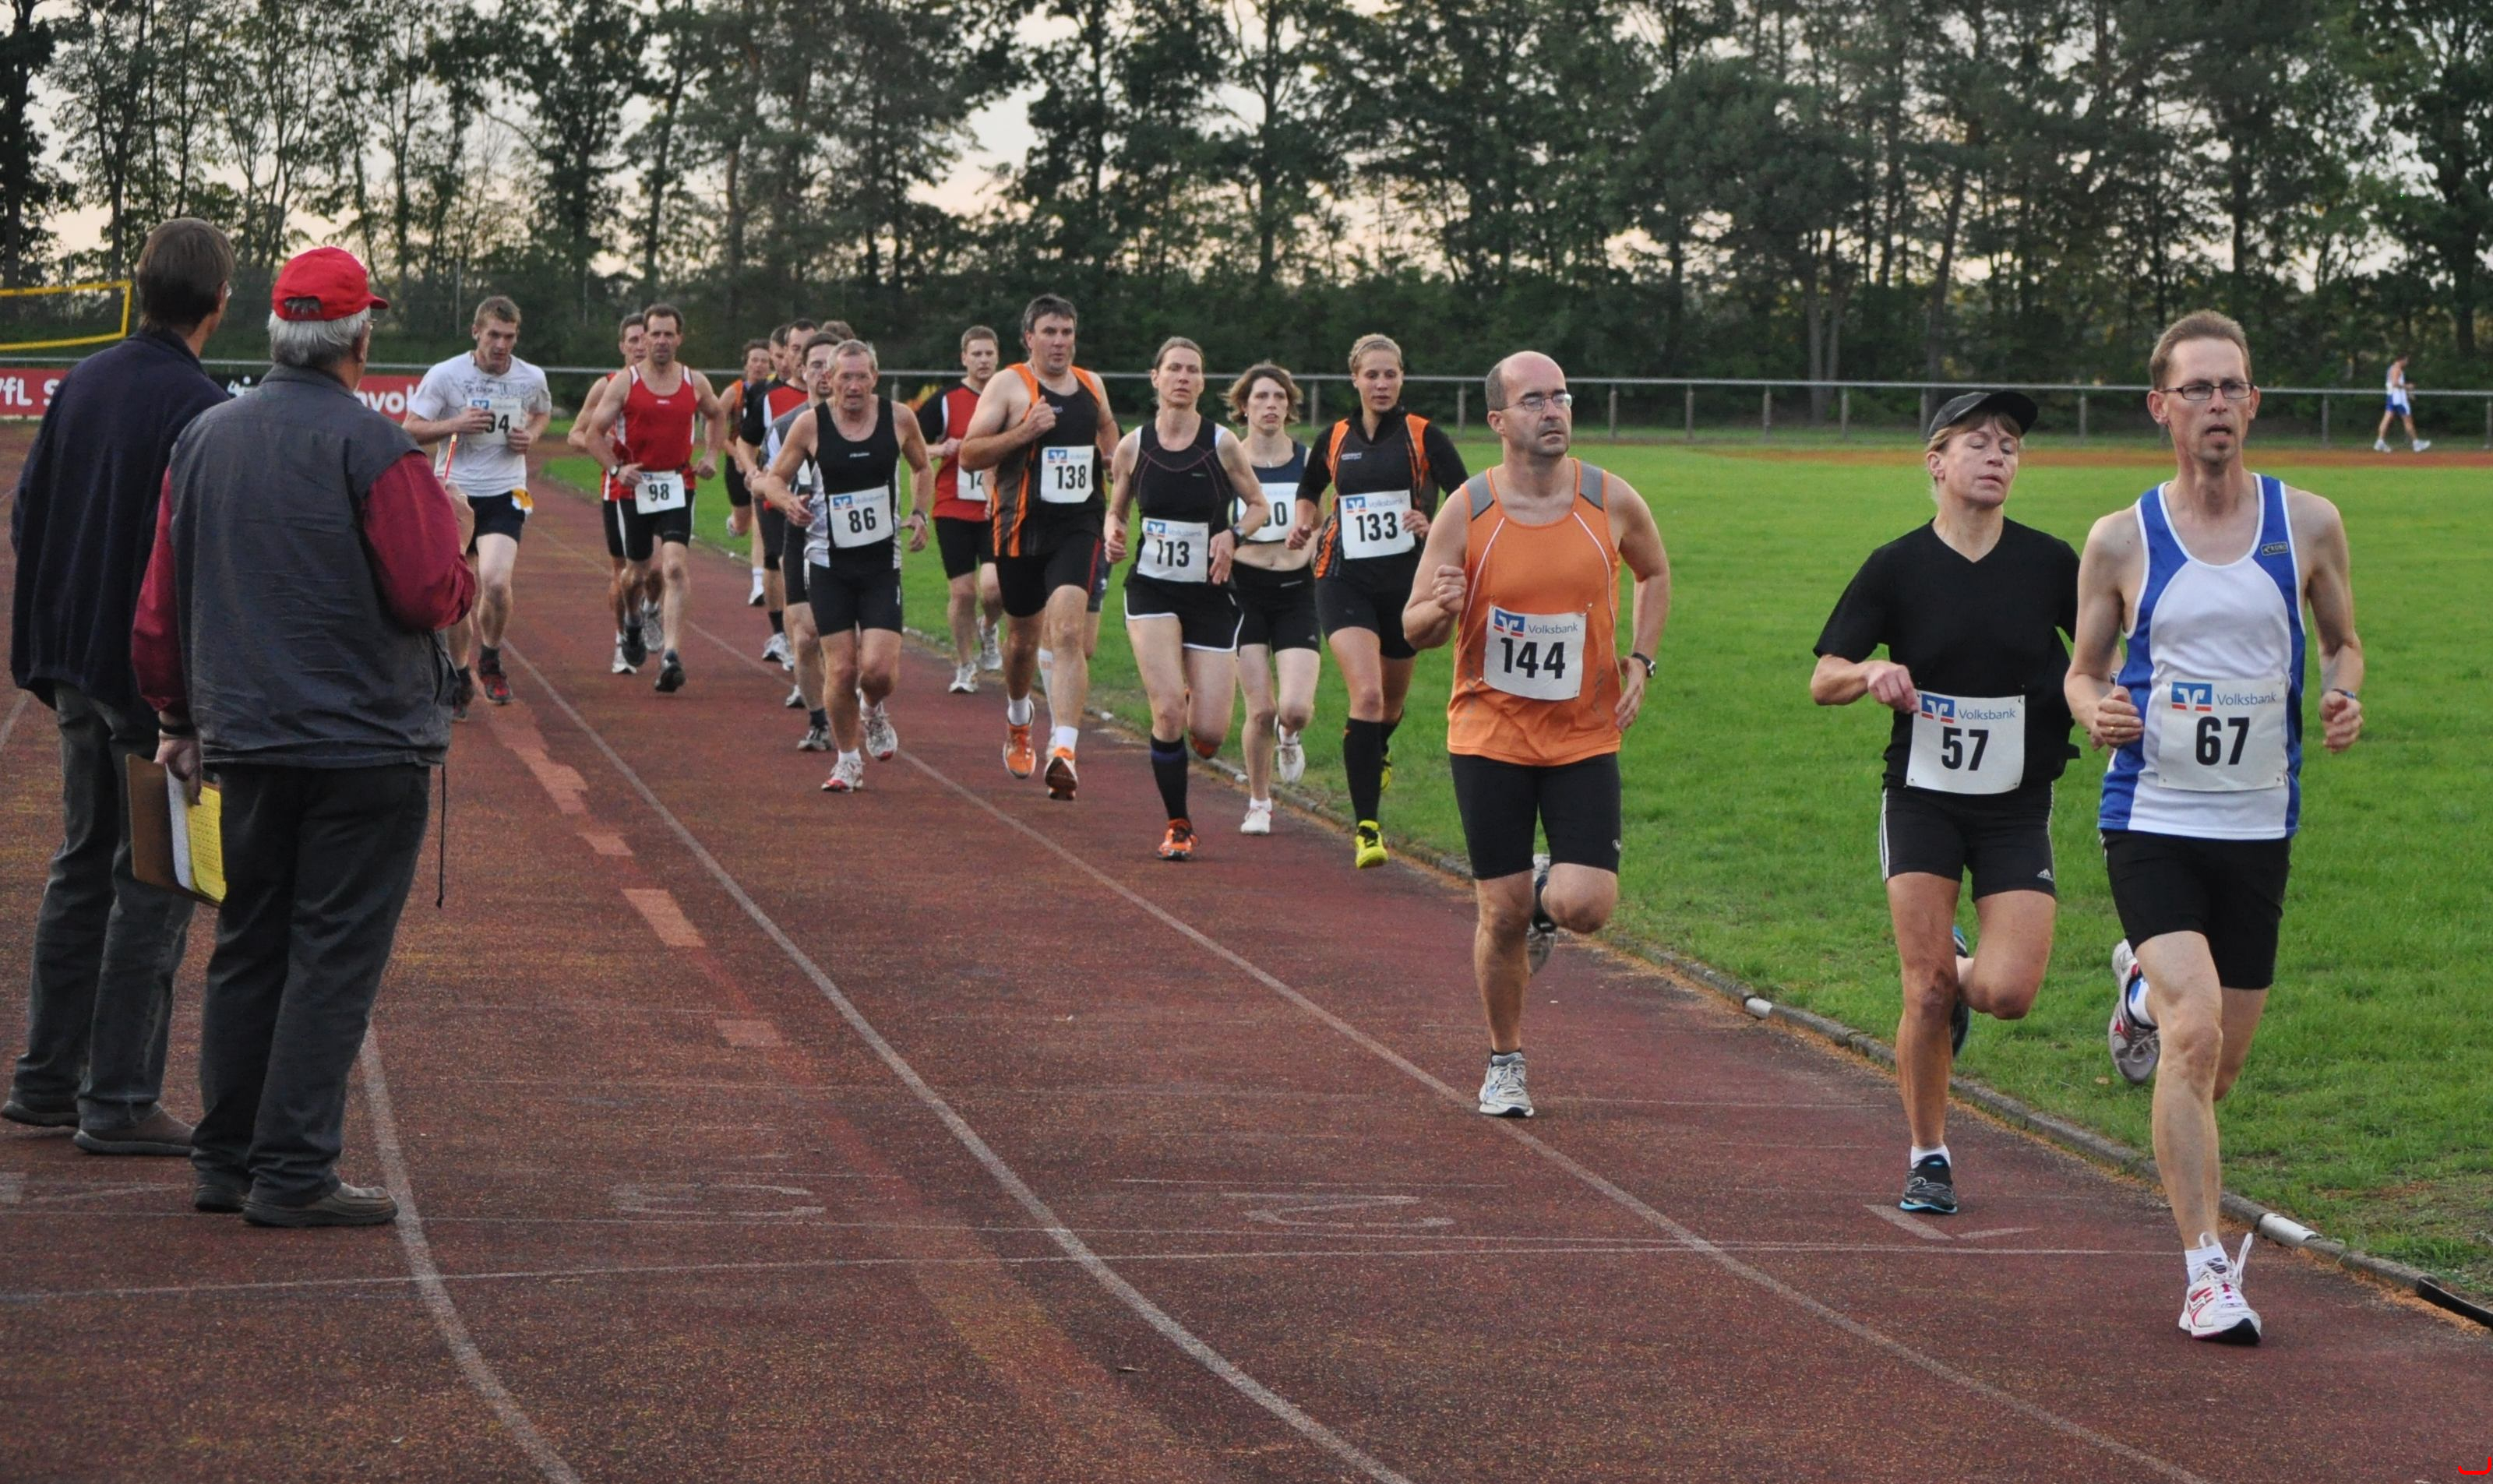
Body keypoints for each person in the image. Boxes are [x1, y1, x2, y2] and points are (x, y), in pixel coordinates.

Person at [132, 246, 474, 1225]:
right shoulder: (378, 450)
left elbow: (160, 606)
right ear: (359, 341)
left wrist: (174, 718)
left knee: (248, 946)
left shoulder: (203, 436)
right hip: (365, 747)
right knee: (332, 959)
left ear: (277, 333)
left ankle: (226, 1159)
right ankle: (293, 1171)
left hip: (243, 740)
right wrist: (457, 538)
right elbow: (428, 594)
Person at [2065, 310, 2365, 1343]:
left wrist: (2343, 693)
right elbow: (2082, 670)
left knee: (2219, 1066)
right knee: (2193, 1038)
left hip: (2257, 826)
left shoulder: (2308, 523)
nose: (2216, 404)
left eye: (2231, 386)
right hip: (2149, 816)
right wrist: (2094, 710)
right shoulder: (2121, 539)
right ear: (2161, 407)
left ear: (2254, 401)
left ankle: (2137, 991)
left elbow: (2344, 642)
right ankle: (2204, 1273)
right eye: (2195, 389)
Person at [1810, 390, 2076, 1217]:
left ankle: (1958, 965)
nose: (1997, 455)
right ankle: (1929, 1155)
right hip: (1922, 797)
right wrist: (1869, 672)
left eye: (2009, 445)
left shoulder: (2049, 564)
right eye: (1977, 442)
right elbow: (1823, 676)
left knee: (2005, 994)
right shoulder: (1896, 566)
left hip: (2015, 802)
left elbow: (2101, 655)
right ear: (1935, 462)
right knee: (1923, 990)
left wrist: (2104, 700)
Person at [5, 218, 231, 1156]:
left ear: (140, 291)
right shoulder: (201, 407)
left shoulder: (84, 381)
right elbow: (194, 557)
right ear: (218, 304)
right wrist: (187, 702)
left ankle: (46, 1080)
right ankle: (122, 1098)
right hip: (149, 688)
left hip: (73, 668)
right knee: (158, 881)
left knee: (80, 860)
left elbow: (28, 513)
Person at [1404, 351, 1668, 1120]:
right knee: (1501, 913)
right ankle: (1505, 1060)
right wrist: (1439, 608)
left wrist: (1642, 659)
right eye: (1534, 400)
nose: (1553, 411)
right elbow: (1414, 627)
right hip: (1489, 734)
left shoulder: (1609, 499)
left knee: (1587, 904)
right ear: (1497, 420)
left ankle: (1548, 899)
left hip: (1583, 732)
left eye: (1561, 397)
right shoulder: (1467, 509)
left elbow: (1653, 573)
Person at [1291, 333, 1468, 867]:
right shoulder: (1334, 437)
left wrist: (1432, 525)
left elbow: (1468, 499)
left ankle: (1378, 746)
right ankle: (1367, 828)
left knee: (1389, 706)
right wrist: (1304, 522)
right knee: (1366, 697)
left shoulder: (1423, 436)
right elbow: (1309, 488)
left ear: (1402, 377)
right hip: (1342, 577)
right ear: (1355, 379)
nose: (1382, 383)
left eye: (1391, 374)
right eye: (1372, 374)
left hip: (1407, 586)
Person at [1103, 337, 1269, 858]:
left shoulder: (1222, 444)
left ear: (1202, 382)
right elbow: (1116, 510)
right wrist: (1112, 533)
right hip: (1151, 588)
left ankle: (1197, 699)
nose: (1183, 377)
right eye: (1173, 368)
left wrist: (1233, 536)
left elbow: (1259, 506)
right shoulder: (1133, 446)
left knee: (1209, 734)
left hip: (1210, 594)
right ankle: (1179, 824)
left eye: (1192, 370)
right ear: (1155, 377)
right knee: (1168, 711)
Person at [957, 294, 1121, 799]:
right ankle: (1018, 718)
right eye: (1049, 332)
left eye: (1067, 332)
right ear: (1029, 337)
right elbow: (969, 454)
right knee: (1023, 643)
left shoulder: (1092, 384)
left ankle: (1064, 750)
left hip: (1078, 525)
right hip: (1020, 529)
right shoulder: (1010, 385)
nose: (1059, 342)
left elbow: (1107, 427)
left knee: (1069, 631)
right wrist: (1024, 432)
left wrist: (1112, 458)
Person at [756, 337, 933, 791]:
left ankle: (872, 709)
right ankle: (848, 760)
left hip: (880, 564)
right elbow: (772, 479)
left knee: (878, 672)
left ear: (874, 378)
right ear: (829, 379)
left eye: (861, 377)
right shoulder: (810, 425)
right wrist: (788, 503)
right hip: (828, 564)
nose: (853, 386)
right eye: (845, 377)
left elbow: (921, 467)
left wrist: (920, 513)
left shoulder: (898, 418)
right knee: (841, 669)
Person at [403, 296, 554, 714]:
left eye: (509, 337)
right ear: (476, 333)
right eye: (493, 335)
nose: (501, 345)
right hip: (454, 492)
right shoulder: (446, 375)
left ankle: (490, 656)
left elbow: (542, 413)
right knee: (459, 590)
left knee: (496, 581)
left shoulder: (531, 377)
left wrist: (531, 436)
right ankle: (458, 672)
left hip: (506, 491)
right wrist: (456, 424)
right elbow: (410, 429)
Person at [576, 302, 726, 693]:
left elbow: (717, 414)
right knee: (636, 574)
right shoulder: (624, 383)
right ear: (644, 337)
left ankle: (672, 655)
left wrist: (711, 454)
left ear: (679, 338)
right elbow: (592, 434)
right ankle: (632, 620)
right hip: (636, 487)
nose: (660, 341)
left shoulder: (695, 381)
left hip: (678, 484)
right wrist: (616, 470)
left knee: (674, 568)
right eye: (654, 334)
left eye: (667, 334)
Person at [1226, 362, 1321, 836]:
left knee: (1295, 709)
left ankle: (1290, 734)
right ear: (1244, 406)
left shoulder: (1308, 461)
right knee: (1260, 709)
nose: (1271, 405)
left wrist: (1312, 550)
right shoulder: (1228, 458)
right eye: (1261, 397)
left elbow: (1323, 520)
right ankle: (1259, 803)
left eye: (1279, 397)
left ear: (1289, 407)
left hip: (1296, 592)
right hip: (1242, 594)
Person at [919, 324, 1006, 693]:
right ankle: (966, 665)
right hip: (953, 507)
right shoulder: (945, 400)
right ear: (964, 358)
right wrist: (942, 449)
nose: (983, 360)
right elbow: (911, 446)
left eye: (989, 353)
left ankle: (989, 626)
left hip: (997, 506)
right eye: (976, 354)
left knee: (995, 589)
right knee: (963, 592)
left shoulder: (1011, 394)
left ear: (998, 357)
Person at [739, 319, 819, 680]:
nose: (802, 356)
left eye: (810, 348)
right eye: (797, 349)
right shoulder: (769, 399)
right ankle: (791, 643)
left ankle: (812, 654)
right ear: (785, 353)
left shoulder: (841, 401)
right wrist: (752, 472)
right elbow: (746, 441)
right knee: (790, 572)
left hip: (820, 503)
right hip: (778, 500)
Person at [569, 313, 648, 673]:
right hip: (617, 488)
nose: (641, 346)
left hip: (663, 489)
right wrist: (607, 447)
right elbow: (576, 434)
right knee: (624, 570)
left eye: (646, 338)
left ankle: (651, 613)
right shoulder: (607, 386)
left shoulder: (671, 383)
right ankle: (623, 638)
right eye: (633, 340)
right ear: (622, 346)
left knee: (660, 569)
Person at [723, 339, 774, 611]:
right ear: (746, 364)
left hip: (764, 465)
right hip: (737, 462)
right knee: (743, 524)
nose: (759, 365)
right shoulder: (734, 392)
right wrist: (735, 454)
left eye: (764, 360)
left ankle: (758, 583)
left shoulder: (774, 390)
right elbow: (716, 427)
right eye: (755, 360)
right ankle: (733, 523)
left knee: (758, 519)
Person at [2372, 354, 2430, 453]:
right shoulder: (2397, 369)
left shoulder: (2391, 369)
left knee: (2387, 419)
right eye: (2406, 360)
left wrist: (2407, 392)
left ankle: (2380, 441)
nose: (2407, 362)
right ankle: (2416, 444)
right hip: (2399, 399)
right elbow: (2395, 383)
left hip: (2391, 397)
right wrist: (2408, 386)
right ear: (2401, 360)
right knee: (2408, 421)